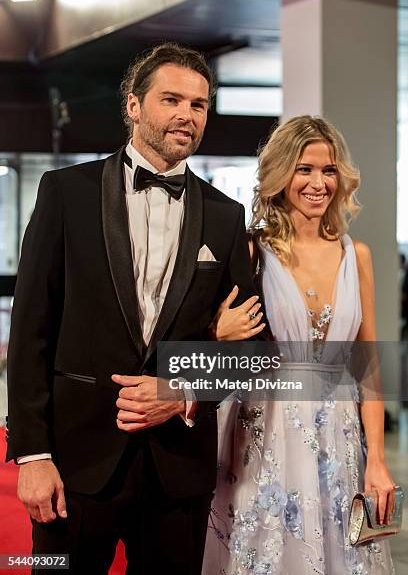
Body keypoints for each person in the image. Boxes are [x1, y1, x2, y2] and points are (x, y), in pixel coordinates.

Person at [5, 43, 265, 574]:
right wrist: (32, 457)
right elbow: (32, 330)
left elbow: (253, 351)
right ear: (133, 105)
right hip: (74, 466)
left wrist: (184, 390)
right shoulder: (65, 193)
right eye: (171, 99)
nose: (185, 116)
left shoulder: (225, 215)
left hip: (178, 472)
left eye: (198, 105)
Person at [203, 116, 396, 574]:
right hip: (266, 428)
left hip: (339, 431)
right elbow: (219, 346)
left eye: (328, 170)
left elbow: (368, 364)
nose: (318, 183)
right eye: (304, 169)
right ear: (280, 174)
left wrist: (379, 461)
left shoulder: (357, 255)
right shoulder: (252, 251)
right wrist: (215, 334)